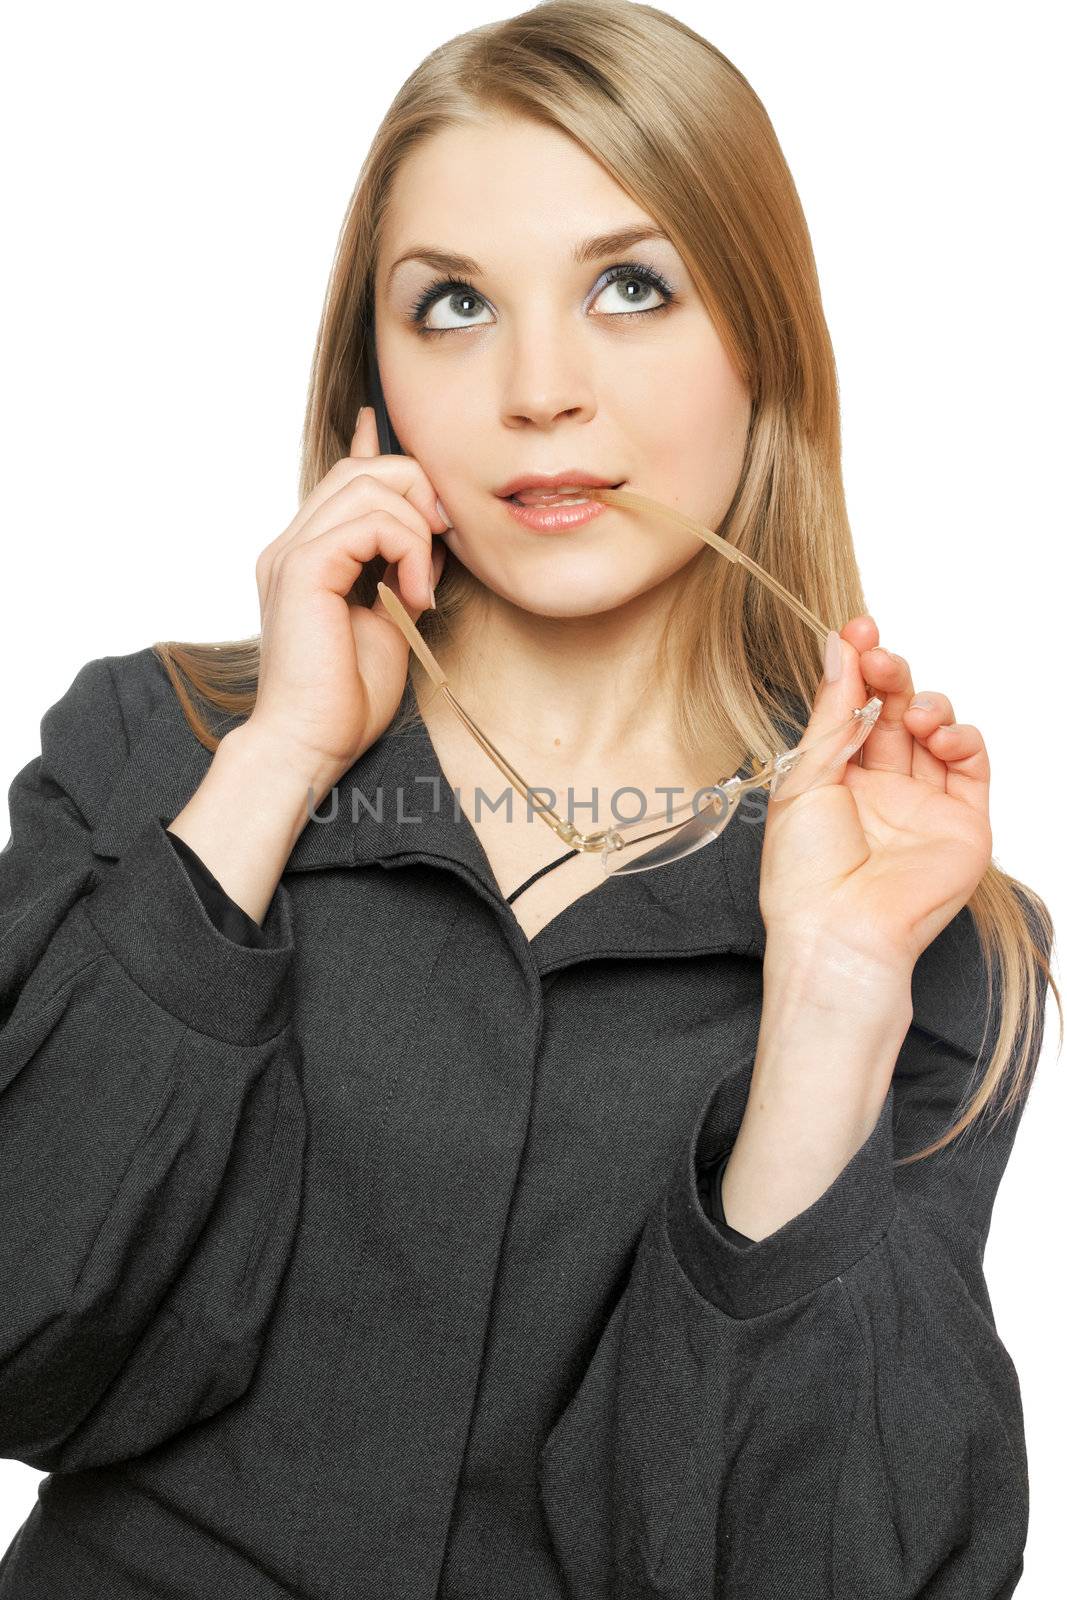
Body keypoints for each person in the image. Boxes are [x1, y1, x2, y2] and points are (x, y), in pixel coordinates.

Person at [0, 3, 1057, 1596]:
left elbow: (819, 1568)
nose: (539, 388)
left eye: (631, 288)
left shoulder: (929, 937)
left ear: (759, 335)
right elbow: (21, 1330)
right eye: (452, 306)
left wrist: (832, 1008)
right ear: (377, 376)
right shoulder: (162, 749)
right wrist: (278, 761)